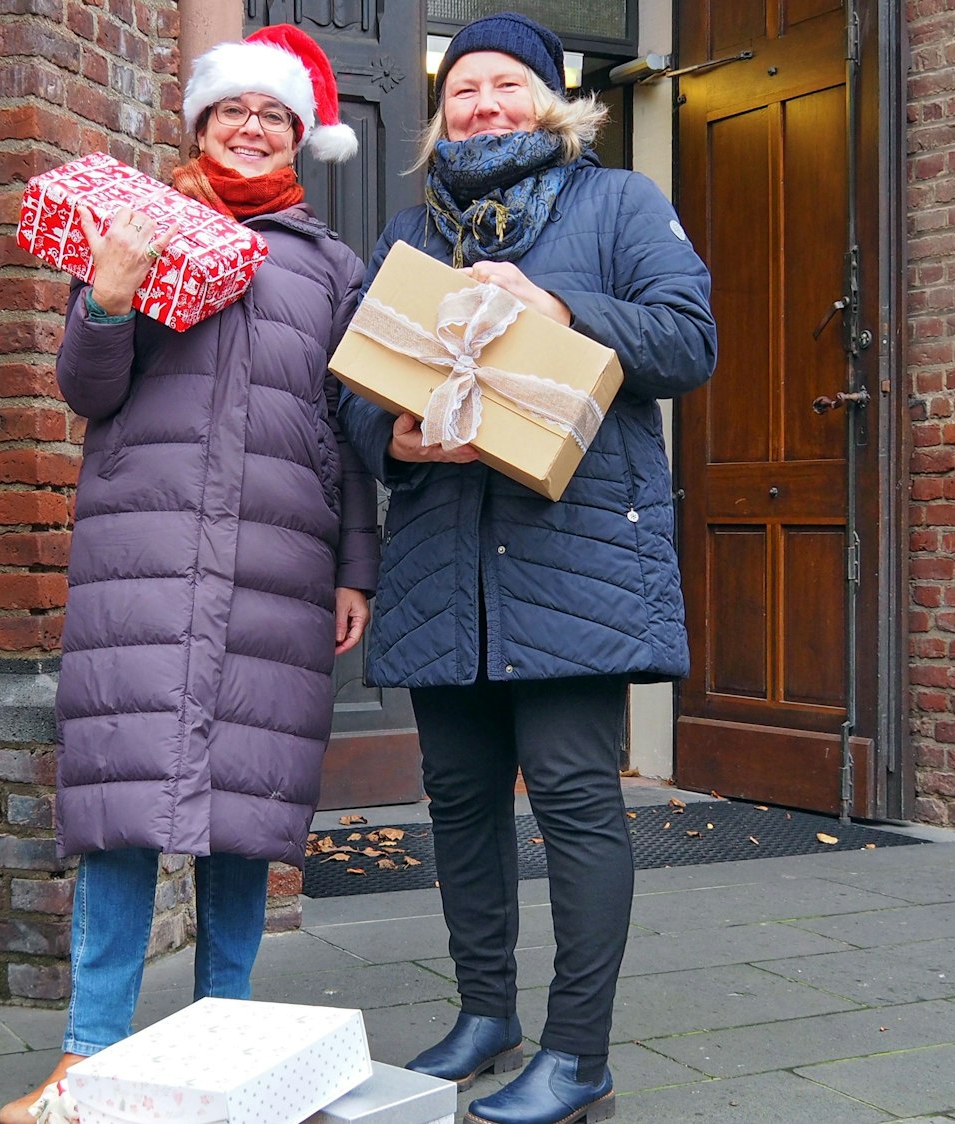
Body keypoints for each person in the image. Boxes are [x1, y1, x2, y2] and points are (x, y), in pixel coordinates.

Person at [336, 12, 716, 1124]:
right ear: (439, 112)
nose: (484, 104)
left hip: (576, 560)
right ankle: (486, 1013)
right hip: (445, 560)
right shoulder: (409, 235)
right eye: (463, 90)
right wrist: (390, 441)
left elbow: (687, 341)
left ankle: (578, 1053)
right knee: (457, 798)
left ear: (551, 101)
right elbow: (353, 389)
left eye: (507, 85)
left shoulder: (618, 205)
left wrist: (561, 304)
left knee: (573, 798)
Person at [0, 25, 378, 1124]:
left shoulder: (330, 267)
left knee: (244, 817)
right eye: (231, 112)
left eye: (272, 116)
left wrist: (356, 565)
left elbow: (345, 433)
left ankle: (228, 1042)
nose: (250, 128)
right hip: (147, 552)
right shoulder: (142, 227)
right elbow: (87, 389)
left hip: (278, 557)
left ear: (299, 137)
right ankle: (87, 1054)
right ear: (201, 124)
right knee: (120, 807)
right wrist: (107, 297)